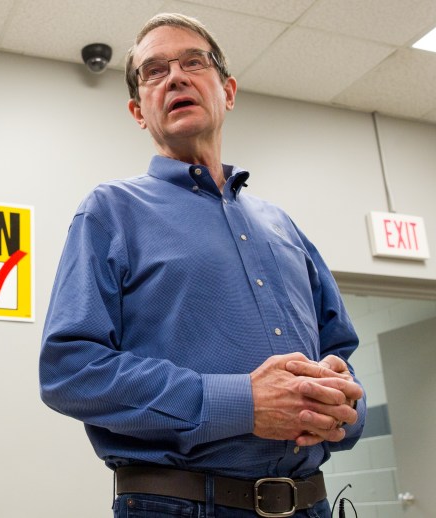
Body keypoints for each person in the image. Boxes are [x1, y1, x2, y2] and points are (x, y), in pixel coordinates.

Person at [39, 12, 366, 518]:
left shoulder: (282, 225)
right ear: (138, 112)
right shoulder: (110, 211)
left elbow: (341, 354)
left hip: (310, 503)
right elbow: (70, 370)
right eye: (154, 70)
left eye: (194, 61)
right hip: (180, 505)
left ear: (228, 91)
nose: (175, 76)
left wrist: (346, 410)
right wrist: (242, 402)